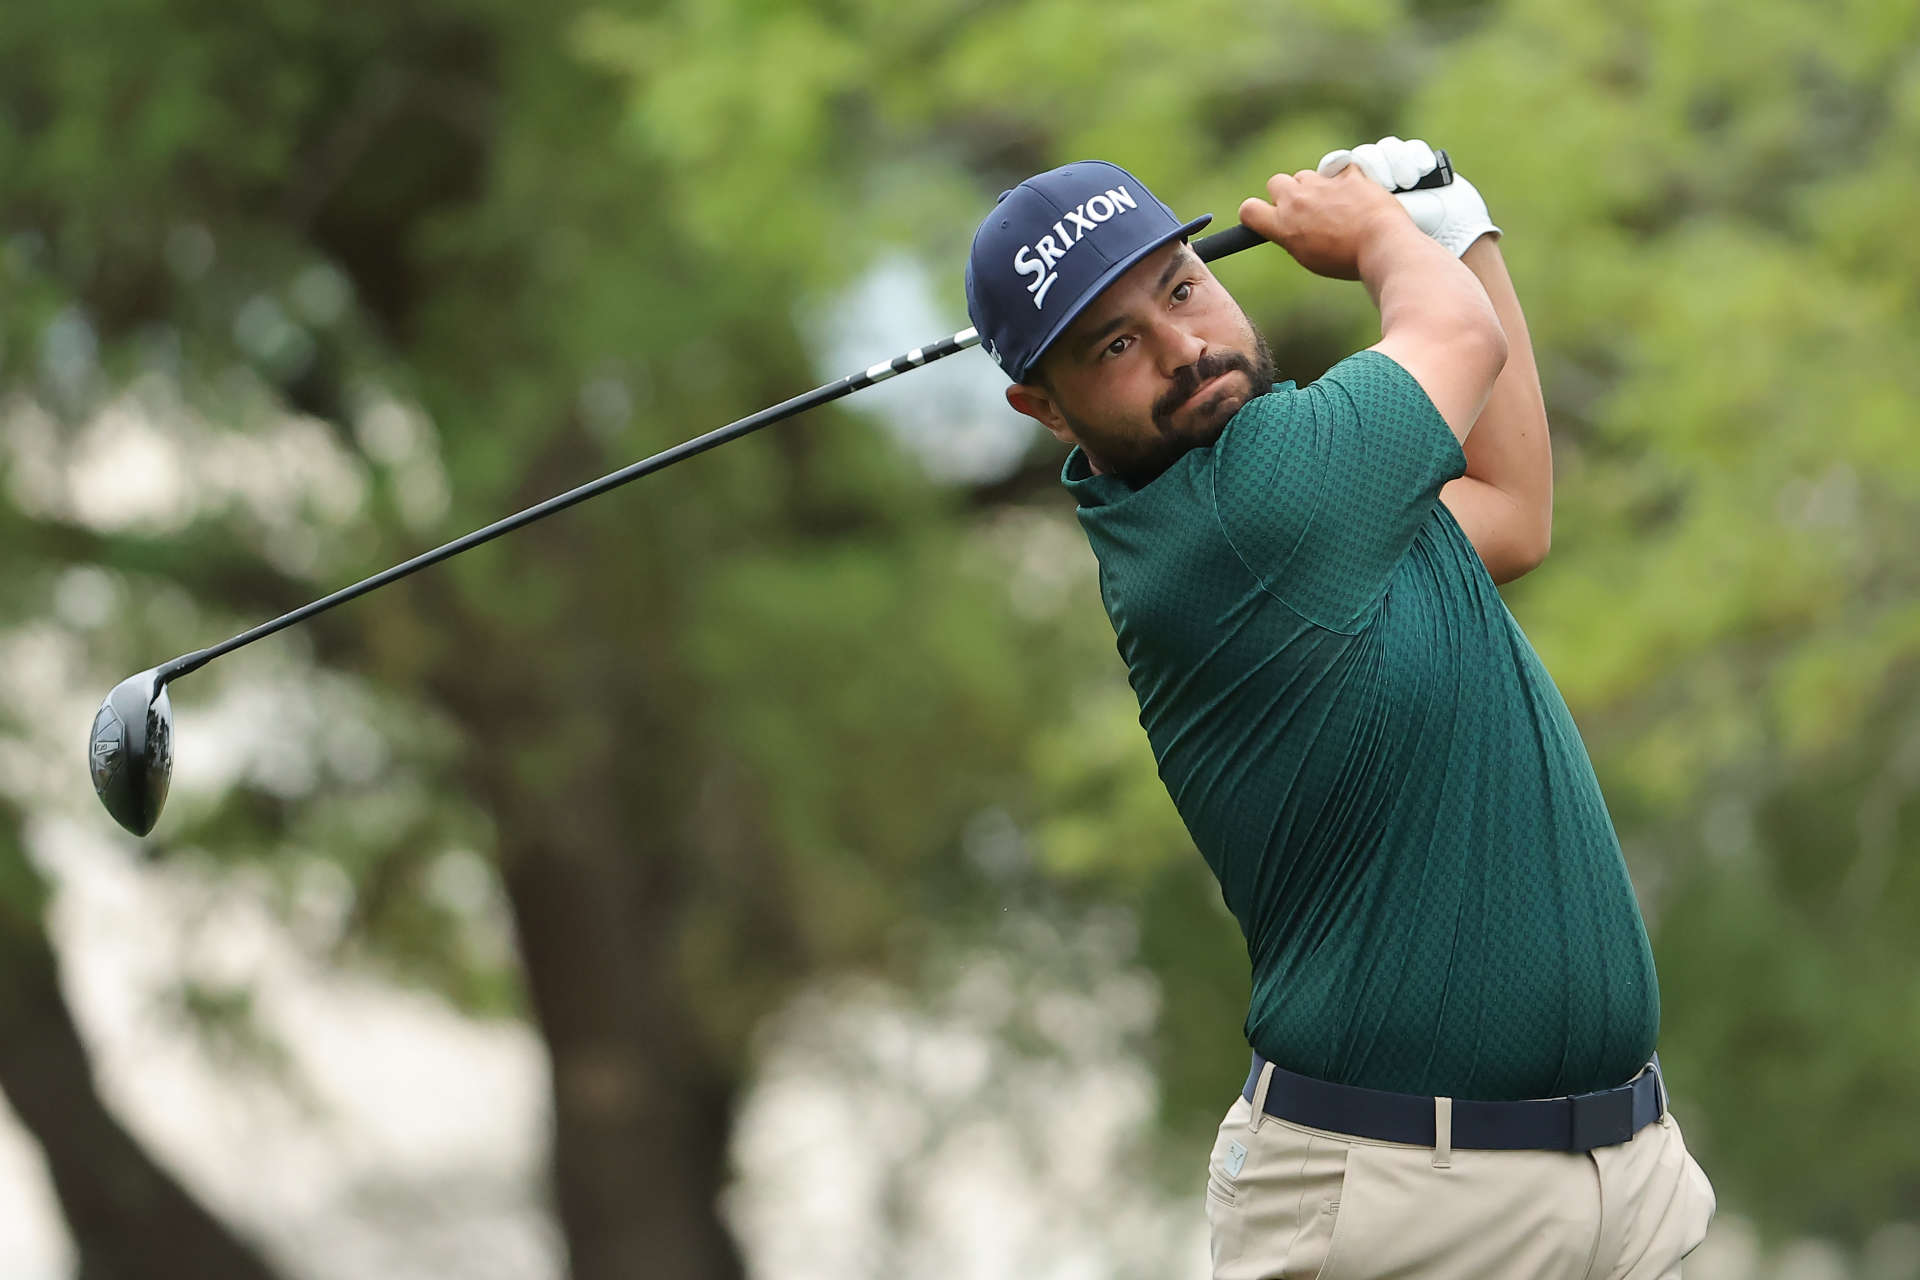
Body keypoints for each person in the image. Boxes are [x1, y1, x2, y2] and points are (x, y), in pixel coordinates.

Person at [964, 139, 1716, 1278]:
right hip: (1407, 1205)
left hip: (1620, 1182)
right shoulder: (1243, 511)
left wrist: (1455, 232)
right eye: (1115, 345)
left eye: (1181, 288)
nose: (1183, 348)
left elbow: (1511, 509)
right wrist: (1380, 234)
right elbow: (1457, 339)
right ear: (1044, 409)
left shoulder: (1322, 504)